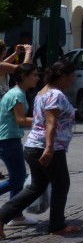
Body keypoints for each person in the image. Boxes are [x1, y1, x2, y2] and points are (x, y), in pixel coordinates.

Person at [0, 59, 80, 238]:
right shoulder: (55, 95)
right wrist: (50, 148)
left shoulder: (42, 92)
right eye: (71, 76)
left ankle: (2, 216)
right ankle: (57, 225)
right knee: (61, 184)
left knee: (36, 186)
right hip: (47, 147)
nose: (73, 80)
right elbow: (50, 123)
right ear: (63, 76)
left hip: (34, 146)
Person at [0, 64, 40, 226]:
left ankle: (15, 215)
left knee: (18, 177)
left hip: (9, 139)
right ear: (23, 76)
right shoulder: (17, 94)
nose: (38, 78)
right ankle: (13, 214)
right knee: (17, 179)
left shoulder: (17, 92)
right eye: (35, 75)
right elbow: (20, 120)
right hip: (8, 140)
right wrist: (45, 120)